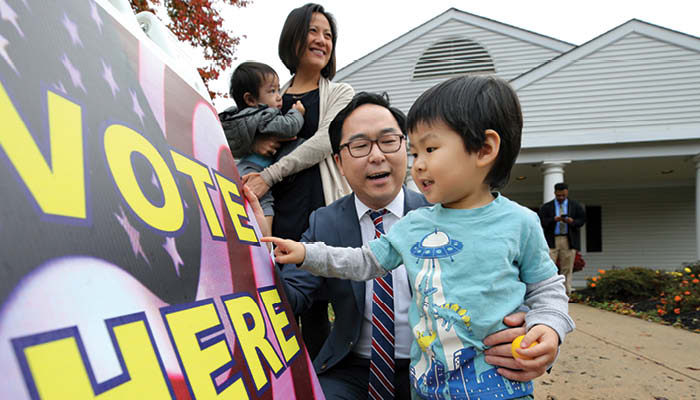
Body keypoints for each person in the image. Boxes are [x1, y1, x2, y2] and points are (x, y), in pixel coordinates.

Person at [262, 78, 574, 399]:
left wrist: (545, 330)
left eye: (428, 148)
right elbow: (360, 262)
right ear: (339, 161)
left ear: (484, 149)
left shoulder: (518, 223)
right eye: (359, 145)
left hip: (492, 382)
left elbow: (544, 289)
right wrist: (274, 251)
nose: (417, 164)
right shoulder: (392, 224)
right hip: (408, 381)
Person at [242, 3, 354, 360]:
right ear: (294, 36)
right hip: (280, 210)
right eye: (313, 31)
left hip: (323, 207)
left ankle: (325, 382)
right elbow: (237, 128)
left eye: (329, 35)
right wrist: (253, 143)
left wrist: (270, 173)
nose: (322, 40)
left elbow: (326, 141)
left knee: (324, 305)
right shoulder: (271, 93)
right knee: (282, 301)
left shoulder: (340, 93)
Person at [219, 61, 306, 228]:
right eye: (272, 91)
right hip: (253, 169)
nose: (279, 96)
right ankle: (264, 245)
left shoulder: (238, 117)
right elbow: (289, 127)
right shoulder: (263, 115)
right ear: (250, 99)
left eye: (278, 89)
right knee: (264, 201)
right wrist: (297, 113)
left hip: (243, 167)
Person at [538, 182, 586, 295]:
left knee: (567, 267)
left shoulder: (575, 206)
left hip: (568, 240)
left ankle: (566, 292)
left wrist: (572, 221)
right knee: (548, 267)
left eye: (563, 195)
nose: (561, 198)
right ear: (555, 193)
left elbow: (582, 220)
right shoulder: (547, 207)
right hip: (551, 240)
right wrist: (553, 220)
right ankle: (549, 292)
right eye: (559, 195)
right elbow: (541, 222)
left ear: (567, 193)